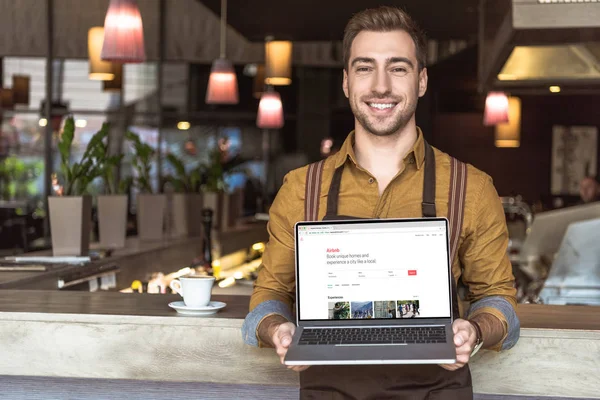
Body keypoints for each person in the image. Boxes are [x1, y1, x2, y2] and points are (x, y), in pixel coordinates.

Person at [242, 6, 519, 399]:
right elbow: (266, 299)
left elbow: (500, 302)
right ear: (346, 81)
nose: (381, 86)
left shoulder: (470, 188)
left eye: (398, 68)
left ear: (421, 80)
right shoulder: (301, 188)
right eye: (365, 67)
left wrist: (474, 330)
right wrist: (278, 329)